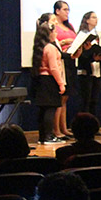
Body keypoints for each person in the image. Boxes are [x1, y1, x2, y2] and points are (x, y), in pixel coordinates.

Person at [32, 16, 65, 144]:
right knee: (50, 109)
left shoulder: (40, 48)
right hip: (49, 81)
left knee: (43, 110)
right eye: (55, 32)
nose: (56, 34)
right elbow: (54, 68)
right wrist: (61, 83)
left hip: (41, 80)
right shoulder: (50, 48)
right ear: (49, 34)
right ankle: (48, 136)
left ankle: (43, 137)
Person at [52, 0, 77, 138]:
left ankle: (64, 127)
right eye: (65, 9)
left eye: (68, 10)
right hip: (60, 62)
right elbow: (53, 43)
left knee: (65, 98)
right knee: (59, 98)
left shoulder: (69, 26)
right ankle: (56, 129)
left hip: (71, 61)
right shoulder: (53, 27)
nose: (67, 12)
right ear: (57, 11)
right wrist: (64, 42)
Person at [76, 11, 101, 119]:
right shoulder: (82, 34)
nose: (96, 19)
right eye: (93, 17)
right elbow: (80, 55)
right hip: (85, 71)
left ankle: (93, 123)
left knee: (94, 100)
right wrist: (92, 58)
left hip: (96, 70)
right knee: (85, 100)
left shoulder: (96, 35)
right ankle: (84, 123)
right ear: (87, 20)